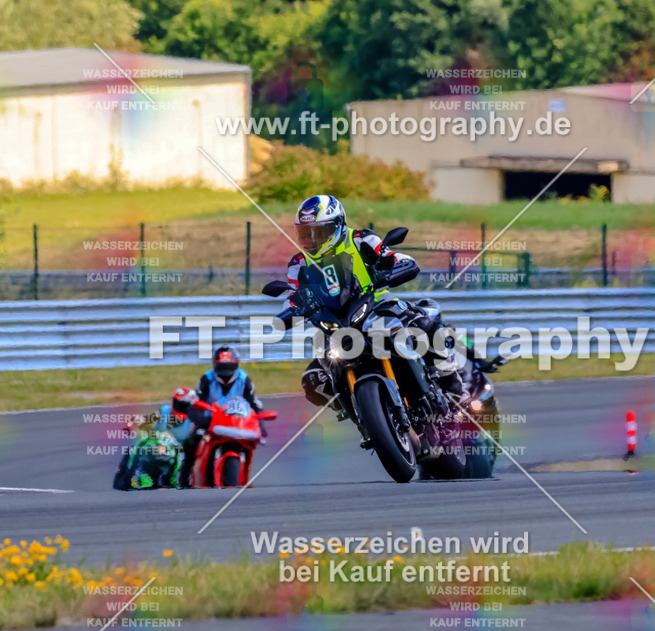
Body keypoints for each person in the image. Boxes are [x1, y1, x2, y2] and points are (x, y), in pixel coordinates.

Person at [284, 195, 466, 418]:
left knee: (423, 322)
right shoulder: (298, 263)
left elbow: (391, 256)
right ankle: (361, 413)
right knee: (312, 381)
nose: (312, 239)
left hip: (377, 304)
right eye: (305, 233)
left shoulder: (360, 239)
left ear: (337, 225)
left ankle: (454, 388)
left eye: (319, 232)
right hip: (332, 321)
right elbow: (293, 295)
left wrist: (400, 266)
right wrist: (291, 309)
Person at [177, 346, 264, 485]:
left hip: (237, 422)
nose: (226, 371)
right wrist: (200, 418)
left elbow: (253, 403)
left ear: (236, 364)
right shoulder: (207, 378)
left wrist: (260, 422)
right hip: (211, 421)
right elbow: (197, 401)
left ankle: (245, 475)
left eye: (229, 365)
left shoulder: (244, 379)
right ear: (215, 364)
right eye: (222, 366)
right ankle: (184, 478)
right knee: (191, 441)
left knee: (253, 440)